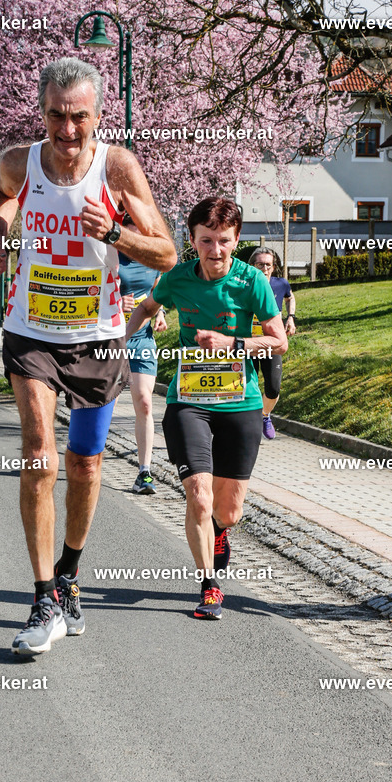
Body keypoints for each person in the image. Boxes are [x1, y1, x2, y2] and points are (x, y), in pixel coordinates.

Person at [0, 56, 176, 656]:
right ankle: (42, 597)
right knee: (39, 453)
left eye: (79, 118)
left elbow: (167, 253)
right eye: (57, 117)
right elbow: (2, 192)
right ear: (42, 114)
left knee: (86, 465)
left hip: (97, 335)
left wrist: (115, 233)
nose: (67, 130)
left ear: (99, 114)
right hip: (32, 330)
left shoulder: (118, 168)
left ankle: (68, 575)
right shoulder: (20, 160)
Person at [127, 197, 287, 620]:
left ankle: (218, 534)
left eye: (224, 242)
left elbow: (279, 342)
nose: (215, 251)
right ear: (192, 240)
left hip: (241, 401)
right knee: (198, 495)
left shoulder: (252, 280)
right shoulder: (177, 277)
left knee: (227, 510)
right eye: (206, 241)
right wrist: (118, 341)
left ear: (236, 241)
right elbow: (147, 307)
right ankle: (210, 585)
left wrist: (233, 343)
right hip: (189, 402)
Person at [118, 214, 167, 494]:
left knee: (145, 404)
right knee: (101, 405)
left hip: (142, 341)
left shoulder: (154, 263)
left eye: (141, 236)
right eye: (130, 235)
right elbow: (89, 293)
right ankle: (88, 460)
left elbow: (156, 297)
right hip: (110, 343)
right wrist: (113, 301)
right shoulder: (109, 257)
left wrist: (160, 313)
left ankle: (144, 472)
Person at [248, 248, 296, 439]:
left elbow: (290, 297)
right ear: (252, 266)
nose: (265, 268)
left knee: (273, 387)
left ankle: (265, 416)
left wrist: (290, 317)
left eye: (268, 265)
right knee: (245, 386)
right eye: (260, 264)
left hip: (271, 344)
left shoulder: (280, 284)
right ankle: (247, 423)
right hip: (248, 344)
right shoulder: (244, 285)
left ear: (273, 267)